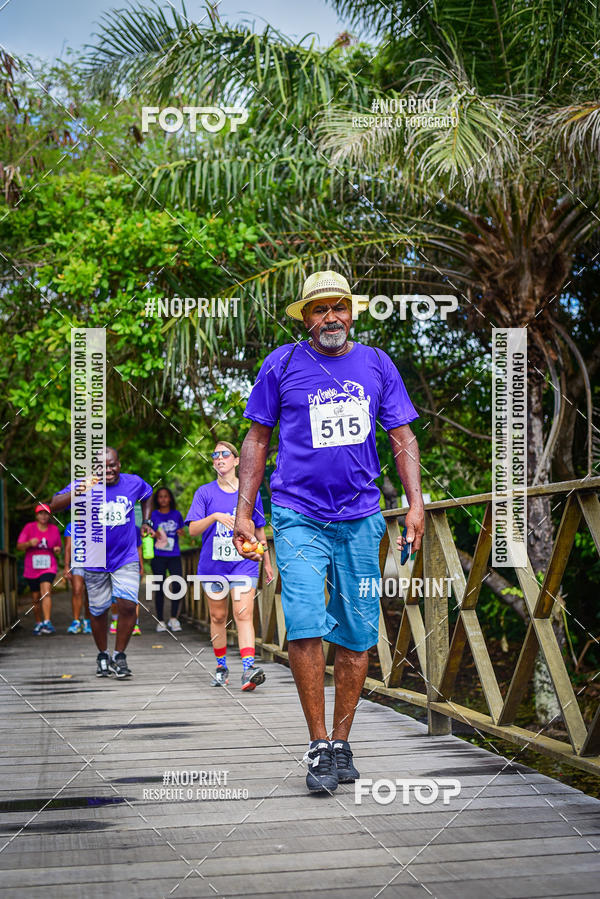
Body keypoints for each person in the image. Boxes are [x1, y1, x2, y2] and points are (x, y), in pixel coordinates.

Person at [233, 270, 424, 792]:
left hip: (362, 520)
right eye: (319, 310)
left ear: (352, 312)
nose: (331, 317)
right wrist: (244, 511)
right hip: (297, 515)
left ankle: (343, 741)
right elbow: (256, 440)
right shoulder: (283, 364)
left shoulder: (377, 364)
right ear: (307, 318)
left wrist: (415, 503)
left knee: (360, 631)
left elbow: (402, 435)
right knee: (304, 621)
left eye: (339, 307)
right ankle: (318, 744)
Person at [50, 447, 153, 678]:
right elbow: (54, 504)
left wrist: (147, 520)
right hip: (93, 559)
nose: (108, 470)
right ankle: (102, 654)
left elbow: (148, 494)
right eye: (102, 467)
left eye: (112, 465)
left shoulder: (132, 483)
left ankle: (119, 655)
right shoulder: (83, 484)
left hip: (125, 557)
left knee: (128, 605)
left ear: (119, 464)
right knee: (98, 611)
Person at [185, 440, 273, 690]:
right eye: (215, 455)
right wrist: (214, 517)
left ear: (236, 460)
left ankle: (248, 669)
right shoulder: (204, 493)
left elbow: (259, 530)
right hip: (213, 566)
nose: (219, 458)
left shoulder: (249, 493)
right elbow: (192, 530)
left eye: (225, 454)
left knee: (243, 613)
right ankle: (222, 666)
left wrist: (266, 561)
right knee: (218, 615)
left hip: (242, 564)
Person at [17, 503, 62, 635]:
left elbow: (58, 546)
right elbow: (19, 546)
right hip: (32, 568)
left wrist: (57, 549)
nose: (43, 516)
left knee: (46, 591)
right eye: (41, 513)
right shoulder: (29, 528)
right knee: (36, 597)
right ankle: (38, 622)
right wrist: (29, 543)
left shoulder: (53, 529)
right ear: (36, 515)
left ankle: (47, 622)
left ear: (49, 516)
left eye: (46, 513)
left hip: (48, 566)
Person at [148, 486, 185, 632]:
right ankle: (161, 621)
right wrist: (153, 534)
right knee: (160, 587)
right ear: (157, 500)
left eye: (166, 496)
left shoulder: (176, 514)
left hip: (174, 555)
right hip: (159, 556)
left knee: (177, 585)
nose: (163, 499)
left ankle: (174, 619)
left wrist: (181, 532)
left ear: (170, 498)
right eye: (160, 497)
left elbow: (182, 531)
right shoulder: (153, 515)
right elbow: (146, 532)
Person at [111, 526, 144, 635]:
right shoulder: (109, 526)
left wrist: (141, 566)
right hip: (114, 564)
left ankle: (135, 623)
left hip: (132, 564)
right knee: (115, 598)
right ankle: (115, 620)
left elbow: (139, 547)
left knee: (133, 597)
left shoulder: (135, 528)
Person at [63, 521, 92, 634]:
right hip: (77, 564)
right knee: (77, 590)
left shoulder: (95, 525)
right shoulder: (71, 526)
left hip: (93, 565)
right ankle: (75, 621)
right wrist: (66, 566)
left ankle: (87, 621)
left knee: (89, 594)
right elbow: (68, 547)